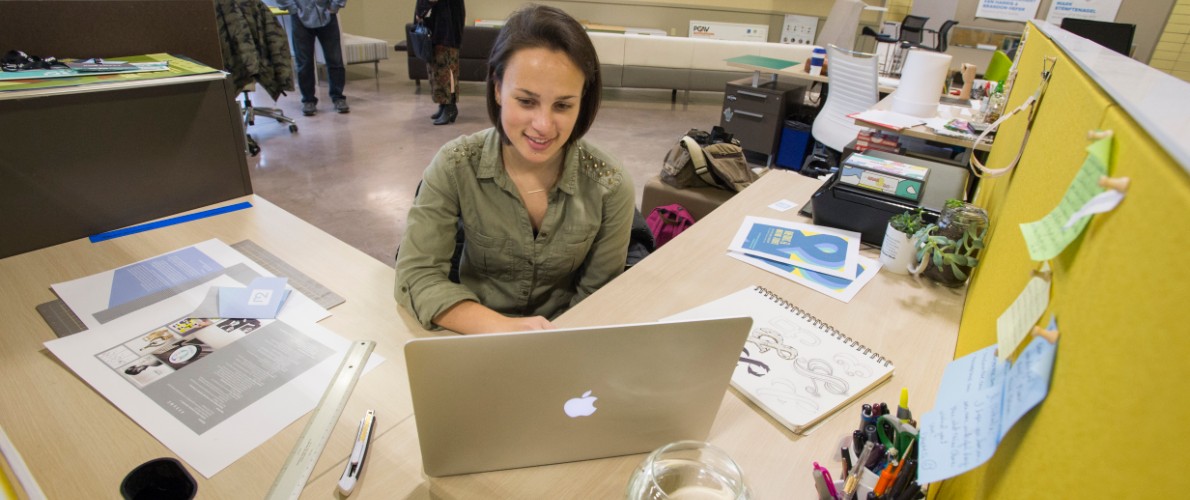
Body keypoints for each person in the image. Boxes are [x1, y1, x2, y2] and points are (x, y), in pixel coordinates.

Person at [395, 4, 635, 335]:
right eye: (526, 101)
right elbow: (416, 274)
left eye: (563, 105)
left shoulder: (610, 185)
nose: (543, 126)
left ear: (583, 101)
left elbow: (598, 296)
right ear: (497, 88)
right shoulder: (455, 165)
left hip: (564, 343)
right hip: (472, 335)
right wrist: (500, 327)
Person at [277, 0, 349, 115]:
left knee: (335, 60)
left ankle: (338, 97)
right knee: (304, 63)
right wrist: (292, 8)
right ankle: (308, 100)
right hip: (300, 16)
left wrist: (334, 7)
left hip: (327, 15)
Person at [415, 0, 465, 125]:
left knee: (446, 66)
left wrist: (421, 11)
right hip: (441, 22)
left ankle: (450, 107)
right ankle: (443, 105)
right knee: (436, 67)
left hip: (446, 25)